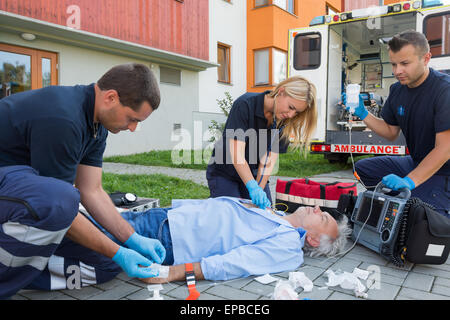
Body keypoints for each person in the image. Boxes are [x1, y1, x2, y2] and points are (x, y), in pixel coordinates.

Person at [0, 63, 166, 299]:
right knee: (62, 201)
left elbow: (92, 191)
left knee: (108, 263)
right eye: (132, 118)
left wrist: (132, 239)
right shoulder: (63, 119)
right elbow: (60, 207)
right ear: (111, 97)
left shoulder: (98, 126)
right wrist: (119, 251)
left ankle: (24, 268)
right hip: (17, 195)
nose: (132, 128)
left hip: (20, 200)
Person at [73, 197, 351, 284]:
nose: (317, 209)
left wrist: (174, 273)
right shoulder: (278, 215)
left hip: (168, 238)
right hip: (167, 220)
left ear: (313, 240)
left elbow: (236, 263)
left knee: (75, 230)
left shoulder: (289, 246)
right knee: (82, 233)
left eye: (322, 217)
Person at [348, 30, 450, 217]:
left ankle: (413, 202)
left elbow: (444, 149)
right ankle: (400, 203)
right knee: (362, 169)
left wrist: (410, 182)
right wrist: (362, 113)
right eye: (393, 64)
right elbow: (390, 131)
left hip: (445, 172)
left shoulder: (444, 90)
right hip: (415, 162)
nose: (397, 71)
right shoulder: (397, 90)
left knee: (419, 214)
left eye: (405, 63)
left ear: (426, 58)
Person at [207, 76, 318, 209]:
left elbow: (268, 160)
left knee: (264, 213)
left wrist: (259, 189)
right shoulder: (245, 104)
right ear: (281, 91)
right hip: (225, 172)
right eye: (291, 107)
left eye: (296, 112)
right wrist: (252, 187)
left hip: (253, 174)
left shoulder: (284, 122)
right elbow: (237, 155)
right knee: (232, 213)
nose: (290, 115)